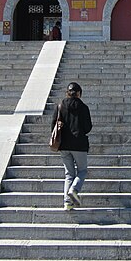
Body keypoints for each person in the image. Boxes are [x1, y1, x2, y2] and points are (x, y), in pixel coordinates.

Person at [52, 82, 92, 210]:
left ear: (67, 93)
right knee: (82, 171)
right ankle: (74, 189)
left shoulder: (60, 106)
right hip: (79, 145)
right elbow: (88, 127)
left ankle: (67, 203)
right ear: (79, 93)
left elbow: (53, 124)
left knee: (69, 174)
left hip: (63, 145)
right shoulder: (84, 107)